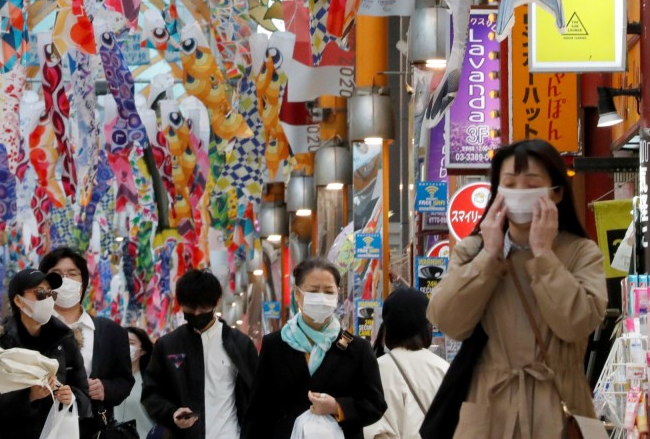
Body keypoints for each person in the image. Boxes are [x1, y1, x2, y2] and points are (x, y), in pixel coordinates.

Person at [427, 139, 607, 437]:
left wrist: (544, 255)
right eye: (509, 184)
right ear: (497, 193)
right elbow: (448, 321)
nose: (519, 194)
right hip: (489, 409)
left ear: (557, 192)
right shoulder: (473, 251)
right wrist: (489, 258)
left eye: (531, 184)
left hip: (559, 408)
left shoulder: (581, 252)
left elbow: (576, 324)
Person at [243, 259, 386, 439]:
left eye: (328, 291)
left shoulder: (357, 348)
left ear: (337, 295)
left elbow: (376, 404)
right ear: (297, 294)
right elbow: (258, 410)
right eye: (313, 291)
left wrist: (337, 407)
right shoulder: (275, 344)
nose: (321, 297)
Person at [142, 269, 258, 438]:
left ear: (216, 302)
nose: (196, 313)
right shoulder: (168, 345)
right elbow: (151, 393)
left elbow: (258, 393)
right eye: (190, 308)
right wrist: (171, 413)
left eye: (203, 308)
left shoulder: (240, 344)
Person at [0, 268, 91, 437]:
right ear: (18, 300)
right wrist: (29, 396)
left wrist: (72, 397)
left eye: (50, 294)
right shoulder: (0, 346)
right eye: (39, 293)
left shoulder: (66, 341)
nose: (47, 299)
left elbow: (85, 397)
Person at [39, 247, 134, 436]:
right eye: (56, 274)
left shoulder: (111, 332)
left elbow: (124, 380)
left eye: (72, 274)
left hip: (92, 428)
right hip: (40, 427)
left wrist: (105, 389)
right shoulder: (32, 328)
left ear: (82, 283)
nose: (65, 279)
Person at [363, 288, 448, 439]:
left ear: (388, 328)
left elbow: (372, 430)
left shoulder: (374, 371)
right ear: (427, 326)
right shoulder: (444, 369)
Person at [115, 327, 155, 438]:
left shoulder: (150, 381)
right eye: (122, 342)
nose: (125, 346)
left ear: (143, 351)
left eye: (131, 343)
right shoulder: (110, 379)